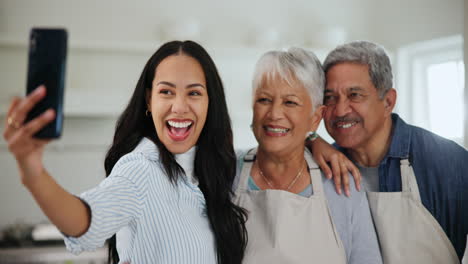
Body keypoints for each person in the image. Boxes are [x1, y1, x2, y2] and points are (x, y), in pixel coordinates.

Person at [3, 40, 248, 264]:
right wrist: (33, 173)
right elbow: (85, 219)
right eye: (166, 92)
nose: (180, 106)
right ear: (149, 101)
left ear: (210, 103)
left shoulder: (212, 174)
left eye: (194, 93)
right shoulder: (141, 170)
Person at [312, 40, 468, 263]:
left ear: (388, 101)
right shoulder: (320, 170)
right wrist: (310, 140)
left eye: (355, 95)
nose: (340, 110)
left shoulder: (450, 163)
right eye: (330, 97)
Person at [232, 47, 382, 264]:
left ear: (316, 117)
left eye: (290, 102)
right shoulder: (224, 173)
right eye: (264, 100)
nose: (274, 114)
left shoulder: (341, 187)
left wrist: (313, 139)